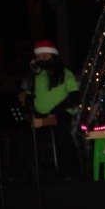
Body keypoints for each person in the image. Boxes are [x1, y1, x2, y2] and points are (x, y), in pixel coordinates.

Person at [27, 39, 81, 176]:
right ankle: (40, 170)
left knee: (62, 136)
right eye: (38, 57)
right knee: (34, 139)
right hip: (40, 113)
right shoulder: (37, 76)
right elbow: (30, 96)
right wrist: (31, 111)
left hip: (61, 112)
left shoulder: (64, 73)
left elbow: (74, 96)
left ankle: (70, 170)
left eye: (45, 57)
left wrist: (55, 111)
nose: (41, 60)